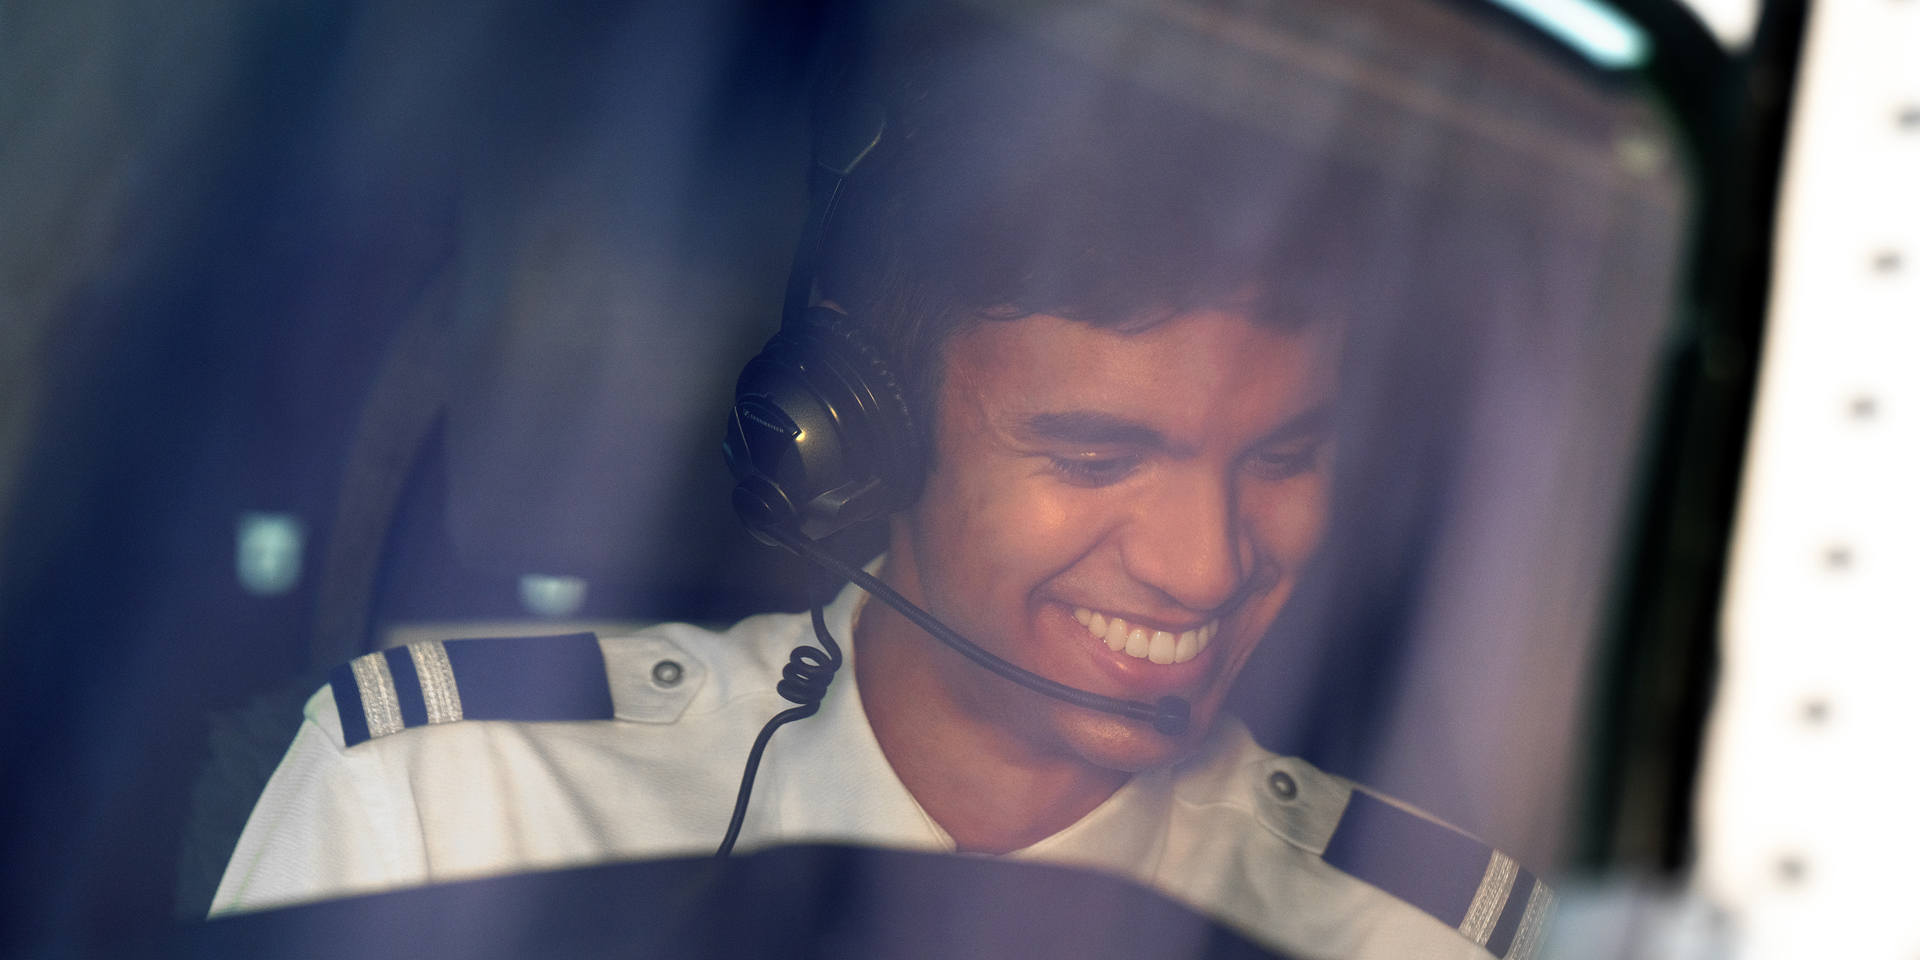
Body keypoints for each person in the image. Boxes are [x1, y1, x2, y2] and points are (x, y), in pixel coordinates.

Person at [211, 3, 1553, 958]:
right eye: (1095, 456)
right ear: (859, 438)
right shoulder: (451, 805)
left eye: (1282, 458)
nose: (1205, 563)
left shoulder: (1426, 939)